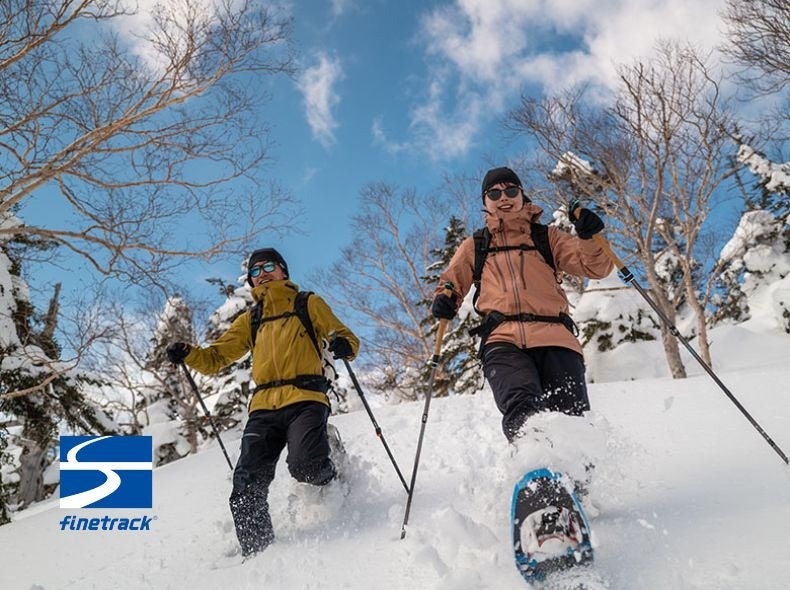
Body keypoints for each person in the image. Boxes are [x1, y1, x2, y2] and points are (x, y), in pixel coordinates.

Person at [166, 247, 359, 557]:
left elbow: (345, 336)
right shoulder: (251, 319)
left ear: (283, 270)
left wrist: (343, 344)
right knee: (245, 486)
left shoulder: (307, 304)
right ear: (251, 281)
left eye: (269, 266)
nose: (262, 273)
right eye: (255, 271)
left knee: (306, 466)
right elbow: (216, 357)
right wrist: (188, 353)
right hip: (263, 408)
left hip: (306, 398)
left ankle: (331, 464)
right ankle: (259, 556)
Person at [431, 167, 613, 443]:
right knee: (522, 407)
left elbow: (596, 267)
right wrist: (445, 298)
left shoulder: (546, 237)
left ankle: (575, 479)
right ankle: (536, 470)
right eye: (494, 193)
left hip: (556, 338)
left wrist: (589, 238)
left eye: (511, 190)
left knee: (571, 419)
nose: (504, 197)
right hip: (503, 340)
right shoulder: (476, 245)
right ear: (485, 201)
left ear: (521, 195)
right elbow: (451, 282)